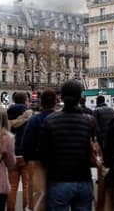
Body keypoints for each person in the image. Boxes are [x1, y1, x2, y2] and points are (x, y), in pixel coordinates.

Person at [39, 80, 93, 211]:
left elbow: (43, 153)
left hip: (59, 179)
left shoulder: (50, 121)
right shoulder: (89, 121)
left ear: (61, 97)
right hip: (83, 179)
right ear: (80, 97)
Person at [21, 89, 57, 211]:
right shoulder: (59, 119)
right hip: (58, 165)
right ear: (55, 103)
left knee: (38, 200)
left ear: (41, 103)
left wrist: (29, 160)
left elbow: (26, 145)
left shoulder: (34, 120)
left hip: (37, 164)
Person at [6, 92, 33, 211]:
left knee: (12, 187)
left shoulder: (7, 114)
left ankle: (10, 209)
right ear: (25, 100)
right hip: (25, 153)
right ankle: (25, 208)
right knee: (26, 186)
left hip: (11, 153)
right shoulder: (29, 114)